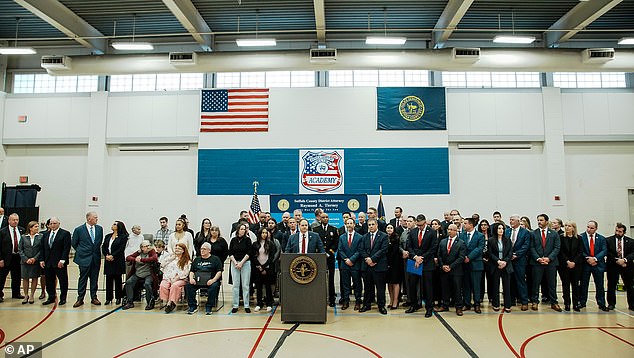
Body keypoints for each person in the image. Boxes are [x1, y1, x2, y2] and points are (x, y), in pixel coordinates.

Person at [406, 214, 437, 317]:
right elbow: (409, 246)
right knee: (412, 285)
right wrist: (415, 257)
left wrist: (422, 258)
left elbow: (433, 248)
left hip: (427, 262)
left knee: (428, 287)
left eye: (421, 225)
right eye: (418, 225)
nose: (420, 227)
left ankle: (429, 308)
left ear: (425, 222)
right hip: (414, 262)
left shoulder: (432, 232)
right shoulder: (413, 231)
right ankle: (414, 305)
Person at [529, 214, 562, 312]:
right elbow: (532, 247)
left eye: (541, 220)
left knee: (552, 284)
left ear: (547, 221)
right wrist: (538, 258)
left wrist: (549, 258)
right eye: (538, 220)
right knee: (536, 283)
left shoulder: (554, 234)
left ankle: (554, 302)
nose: (539, 222)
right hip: (537, 263)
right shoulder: (533, 233)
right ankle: (535, 301)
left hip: (551, 263)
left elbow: (557, 247)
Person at [72, 211, 104, 308]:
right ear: (89, 218)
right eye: (95, 217)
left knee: (94, 278)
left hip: (95, 258)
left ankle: (94, 297)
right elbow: (74, 243)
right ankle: (80, 298)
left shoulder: (99, 229)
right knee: (83, 278)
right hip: (83, 258)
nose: (97, 219)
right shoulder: (79, 229)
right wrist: (82, 251)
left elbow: (99, 242)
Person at [359, 218, 389, 315]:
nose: (371, 226)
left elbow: (384, 250)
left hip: (379, 266)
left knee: (380, 288)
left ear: (376, 225)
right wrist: (368, 259)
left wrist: (373, 259)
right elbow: (361, 249)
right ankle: (366, 305)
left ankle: (381, 306)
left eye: (372, 224)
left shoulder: (384, 236)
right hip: (367, 266)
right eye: (369, 225)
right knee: (367, 287)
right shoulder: (364, 237)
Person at [436, 224, 466, 315]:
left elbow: (461, 258)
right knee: (445, 288)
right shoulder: (443, 242)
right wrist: (442, 265)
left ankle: (458, 307)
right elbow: (439, 255)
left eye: (451, 229)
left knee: (457, 289)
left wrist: (451, 266)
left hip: (456, 270)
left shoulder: (461, 243)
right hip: (444, 270)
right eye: (448, 229)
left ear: (456, 231)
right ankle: (445, 305)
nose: (449, 231)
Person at [185, 242, 223, 315]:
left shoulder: (215, 259)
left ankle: (209, 306)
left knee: (214, 286)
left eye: (204, 249)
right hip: (198, 280)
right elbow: (192, 271)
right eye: (201, 249)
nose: (202, 250)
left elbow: (219, 272)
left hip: (210, 280)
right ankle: (192, 306)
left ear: (209, 250)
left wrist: (213, 280)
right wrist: (191, 278)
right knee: (189, 285)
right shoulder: (197, 259)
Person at [40, 217, 71, 305]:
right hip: (48, 262)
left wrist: (62, 260)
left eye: (54, 223)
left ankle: (63, 298)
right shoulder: (45, 235)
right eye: (51, 224)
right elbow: (42, 248)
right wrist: (41, 259)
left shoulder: (65, 234)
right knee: (49, 281)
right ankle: (51, 297)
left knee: (63, 281)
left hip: (59, 263)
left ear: (58, 224)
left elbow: (66, 248)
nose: (52, 225)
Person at [579, 220, 608, 311]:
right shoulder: (581, 237)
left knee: (599, 285)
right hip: (585, 264)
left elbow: (604, 250)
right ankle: (582, 302)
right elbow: (580, 250)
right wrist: (588, 258)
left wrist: (595, 259)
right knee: (584, 284)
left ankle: (601, 303)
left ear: (596, 228)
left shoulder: (602, 238)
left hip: (597, 264)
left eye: (591, 228)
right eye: (588, 227)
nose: (589, 229)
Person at [122, 240, 158, 310]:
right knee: (129, 282)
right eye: (146, 246)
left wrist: (142, 260)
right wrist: (135, 259)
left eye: (148, 246)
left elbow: (154, 258)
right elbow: (128, 257)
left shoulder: (152, 251)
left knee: (147, 284)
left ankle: (149, 302)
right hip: (138, 273)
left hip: (148, 274)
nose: (148, 247)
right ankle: (130, 302)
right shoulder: (138, 253)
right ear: (142, 248)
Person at [605, 223, 634, 311]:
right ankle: (611, 303)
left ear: (624, 232)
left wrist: (625, 260)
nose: (617, 233)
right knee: (611, 285)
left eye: (620, 231)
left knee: (630, 285)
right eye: (616, 230)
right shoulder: (608, 240)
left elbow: (632, 253)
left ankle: (632, 304)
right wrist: (617, 260)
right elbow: (607, 252)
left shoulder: (631, 241)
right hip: (613, 265)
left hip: (626, 266)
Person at [506, 215, 531, 311]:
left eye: (512, 220)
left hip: (520, 260)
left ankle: (524, 301)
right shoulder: (507, 231)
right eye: (510, 220)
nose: (511, 221)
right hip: (509, 260)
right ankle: (511, 300)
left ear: (518, 221)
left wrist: (516, 254)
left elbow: (526, 246)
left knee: (520, 281)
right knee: (510, 281)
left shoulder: (525, 232)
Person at [460, 217, 485, 314]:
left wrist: (469, 257)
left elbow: (479, 249)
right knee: (466, 285)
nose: (463, 225)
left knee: (476, 285)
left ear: (471, 225)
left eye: (465, 223)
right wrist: (463, 257)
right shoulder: (462, 235)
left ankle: (477, 304)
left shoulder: (480, 236)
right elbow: (460, 247)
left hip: (476, 264)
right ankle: (467, 303)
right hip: (464, 264)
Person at [338, 218, 363, 310]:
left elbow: (359, 250)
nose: (349, 225)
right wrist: (346, 259)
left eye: (351, 223)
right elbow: (340, 250)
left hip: (355, 264)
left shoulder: (360, 237)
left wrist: (351, 260)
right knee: (345, 284)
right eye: (347, 223)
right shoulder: (342, 237)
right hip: (344, 265)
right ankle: (346, 301)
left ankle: (358, 300)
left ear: (354, 224)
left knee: (357, 283)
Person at [314, 212, 339, 306]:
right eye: (323, 217)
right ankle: (319, 298)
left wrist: (328, 253)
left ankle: (332, 299)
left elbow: (336, 243)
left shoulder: (334, 229)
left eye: (327, 217)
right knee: (319, 278)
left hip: (330, 257)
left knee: (331, 278)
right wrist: (321, 253)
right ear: (320, 218)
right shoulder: (315, 230)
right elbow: (315, 243)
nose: (325, 219)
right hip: (319, 257)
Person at [488, 223, 514, 312]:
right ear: (495, 229)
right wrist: (498, 261)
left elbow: (510, 252)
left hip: (506, 265)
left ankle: (508, 305)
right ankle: (495, 304)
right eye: (499, 228)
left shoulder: (507, 240)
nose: (501, 230)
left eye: (502, 228)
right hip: (495, 265)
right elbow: (490, 253)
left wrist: (505, 261)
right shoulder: (491, 240)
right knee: (495, 285)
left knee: (507, 286)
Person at [557, 221, 583, 311]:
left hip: (576, 266)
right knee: (566, 285)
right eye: (566, 226)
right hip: (564, 265)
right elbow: (560, 252)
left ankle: (576, 303)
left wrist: (574, 262)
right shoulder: (561, 238)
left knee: (575, 285)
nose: (567, 227)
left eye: (569, 226)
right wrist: (567, 261)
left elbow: (580, 252)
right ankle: (567, 303)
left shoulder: (579, 238)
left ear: (573, 228)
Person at [102, 221, 129, 305]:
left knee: (118, 279)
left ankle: (118, 297)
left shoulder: (123, 237)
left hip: (117, 260)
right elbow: (104, 246)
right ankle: (108, 298)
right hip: (108, 260)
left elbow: (121, 248)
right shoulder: (108, 236)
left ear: (118, 226)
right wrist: (106, 255)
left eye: (114, 224)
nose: (112, 225)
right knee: (108, 280)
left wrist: (113, 256)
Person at [0, 213, 25, 302]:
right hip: (6, 258)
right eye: (13, 220)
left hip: (17, 257)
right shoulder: (2, 231)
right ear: (9, 220)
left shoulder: (21, 230)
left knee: (17, 276)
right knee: (2, 277)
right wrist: (1, 259)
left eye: (17, 220)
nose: (15, 221)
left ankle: (16, 293)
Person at [160, 243, 191, 313]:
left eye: (179, 248)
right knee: (163, 285)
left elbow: (186, 272)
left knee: (175, 285)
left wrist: (177, 278)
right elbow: (162, 266)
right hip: (168, 278)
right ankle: (167, 301)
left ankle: (171, 302)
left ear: (183, 250)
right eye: (176, 248)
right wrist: (170, 259)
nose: (177, 249)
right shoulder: (170, 258)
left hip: (180, 279)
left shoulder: (186, 261)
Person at [229, 224, 252, 313]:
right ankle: (235, 305)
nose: (243, 230)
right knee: (235, 285)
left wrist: (241, 263)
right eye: (241, 229)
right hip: (235, 263)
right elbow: (230, 252)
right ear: (237, 230)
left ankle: (246, 305)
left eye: (244, 229)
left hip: (245, 263)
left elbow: (249, 252)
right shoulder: (233, 240)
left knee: (245, 285)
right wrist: (235, 262)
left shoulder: (247, 240)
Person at [252, 228, 277, 312]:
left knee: (268, 286)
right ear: (259, 234)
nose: (264, 234)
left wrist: (264, 267)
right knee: (258, 286)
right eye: (263, 233)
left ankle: (269, 303)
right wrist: (259, 266)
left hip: (267, 268)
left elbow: (271, 257)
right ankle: (259, 303)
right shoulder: (255, 244)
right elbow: (254, 257)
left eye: (266, 233)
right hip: (258, 268)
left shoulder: (271, 244)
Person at [19, 221, 42, 304]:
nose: (37, 228)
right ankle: (26, 295)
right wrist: (26, 259)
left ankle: (32, 295)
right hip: (25, 262)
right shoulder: (23, 237)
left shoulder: (40, 237)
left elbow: (41, 250)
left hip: (35, 262)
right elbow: (20, 249)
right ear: (30, 228)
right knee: (25, 278)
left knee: (35, 278)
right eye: (35, 226)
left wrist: (34, 258)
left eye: (37, 226)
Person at [386, 224, 404, 310]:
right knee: (389, 282)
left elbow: (395, 251)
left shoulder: (396, 238)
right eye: (388, 228)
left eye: (391, 228)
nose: (389, 229)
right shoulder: (384, 238)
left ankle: (395, 301)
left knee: (395, 282)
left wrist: (389, 261)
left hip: (395, 263)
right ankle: (391, 300)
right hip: (386, 263)